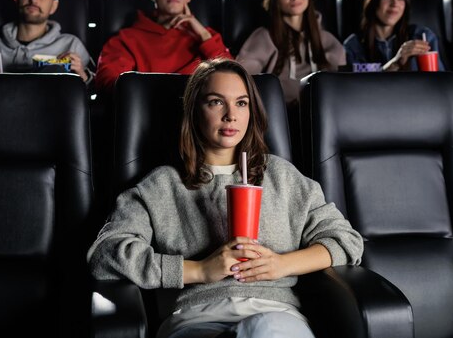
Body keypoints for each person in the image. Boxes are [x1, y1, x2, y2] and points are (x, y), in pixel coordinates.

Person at [88, 58, 363, 338]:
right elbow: (105, 254)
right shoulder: (162, 184)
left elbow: (347, 241)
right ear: (194, 110)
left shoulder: (282, 176)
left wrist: (282, 264)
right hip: (194, 319)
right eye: (216, 102)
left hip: (275, 316)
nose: (231, 115)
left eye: (241, 103)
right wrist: (199, 270)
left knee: (264, 329)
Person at [94, 0, 231, 95]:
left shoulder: (207, 37)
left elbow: (232, 80)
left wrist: (203, 35)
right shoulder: (125, 39)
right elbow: (109, 83)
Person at [237, 0, 346, 106]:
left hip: (323, 114)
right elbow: (242, 82)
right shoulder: (263, 37)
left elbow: (341, 87)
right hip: (281, 115)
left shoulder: (328, 39)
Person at [343, 0, 445, 72]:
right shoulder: (354, 45)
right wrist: (396, 63)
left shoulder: (422, 36)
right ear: (372, 2)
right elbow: (358, 83)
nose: (394, 4)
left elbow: (439, 82)